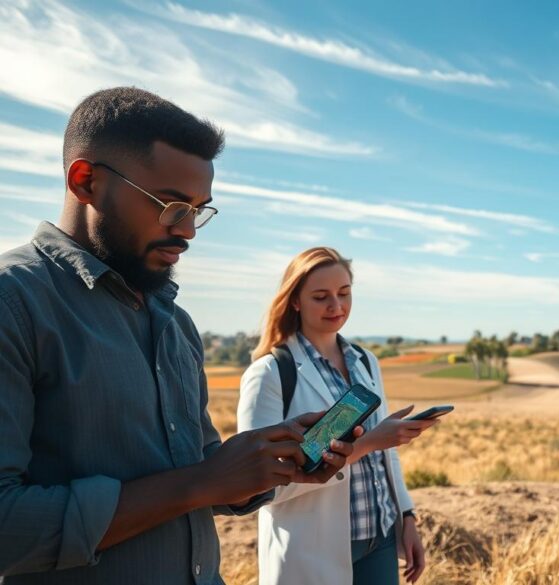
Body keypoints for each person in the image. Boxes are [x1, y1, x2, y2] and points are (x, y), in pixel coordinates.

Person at [0, 88, 356, 584]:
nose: (187, 231)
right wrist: (200, 482)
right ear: (86, 182)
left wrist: (263, 465)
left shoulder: (173, 321)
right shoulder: (13, 304)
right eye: (169, 205)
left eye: (198, 210)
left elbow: (199, 470)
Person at [238, 247, 436, 585]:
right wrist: (370, 442)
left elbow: (387, 456)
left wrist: (407, 516)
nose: (337, 306)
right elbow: (258, 485)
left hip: (381, 538)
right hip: (312, 549)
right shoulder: (270, 373)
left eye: (344, 293)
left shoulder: (366, 361)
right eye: (321, 296)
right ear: (295, 301)